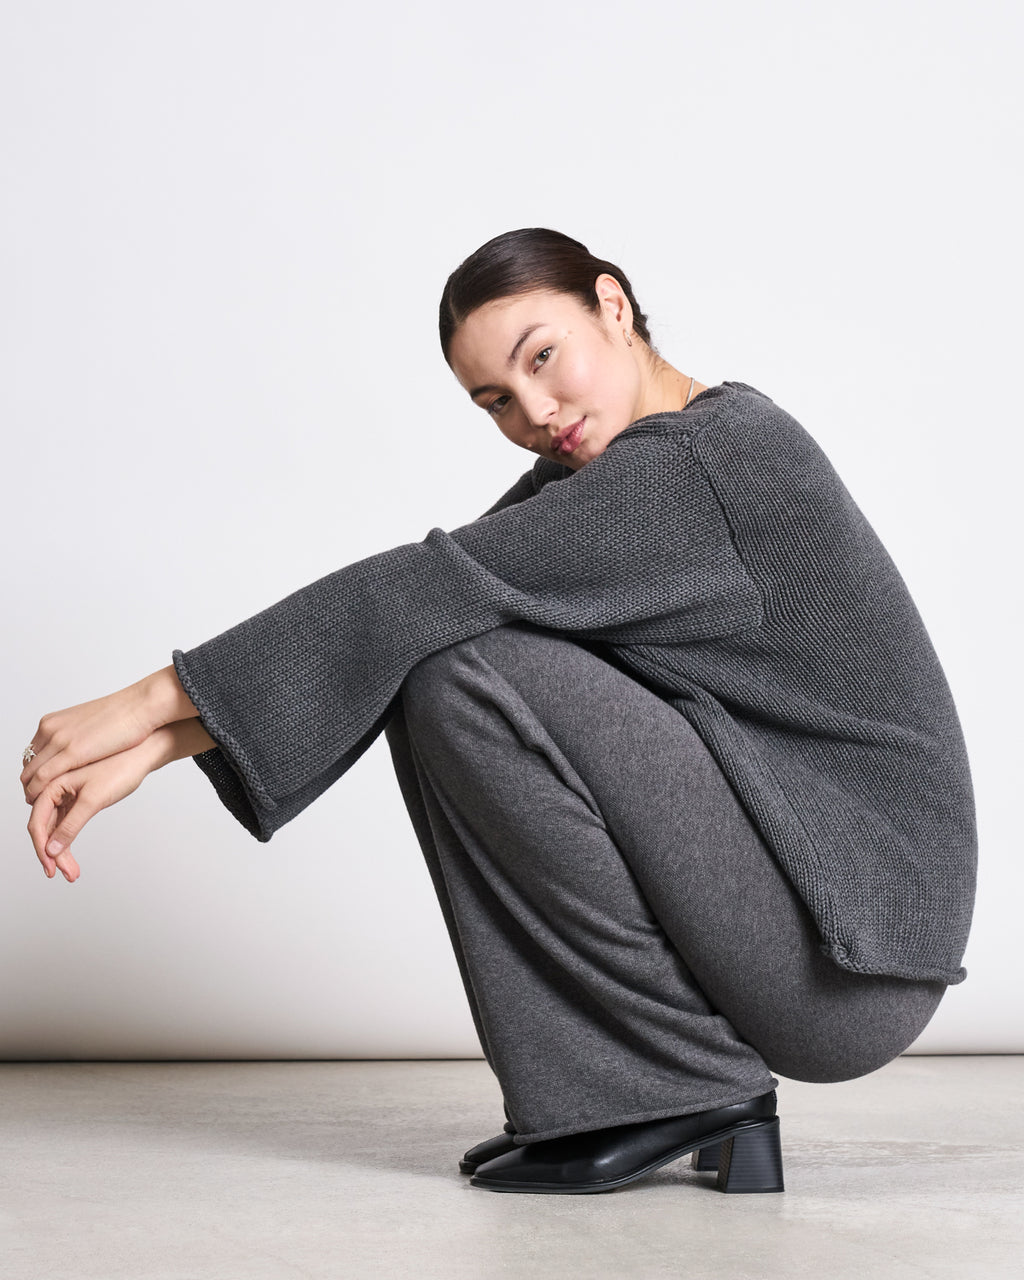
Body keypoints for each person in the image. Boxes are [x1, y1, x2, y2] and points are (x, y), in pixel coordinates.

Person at [20, 227, 977, 1196]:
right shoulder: (608, 469)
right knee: (441, 654)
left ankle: (674, 1088)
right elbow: (405, 622)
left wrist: (144, 702)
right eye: (496, 401)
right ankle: (629, 1093)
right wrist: (159, 744)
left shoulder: (705, 464)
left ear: (612, 303)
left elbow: (418, 591)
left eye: (542, 357)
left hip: (847, 955)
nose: (536, 411)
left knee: (466, 667)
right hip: (805, 908)